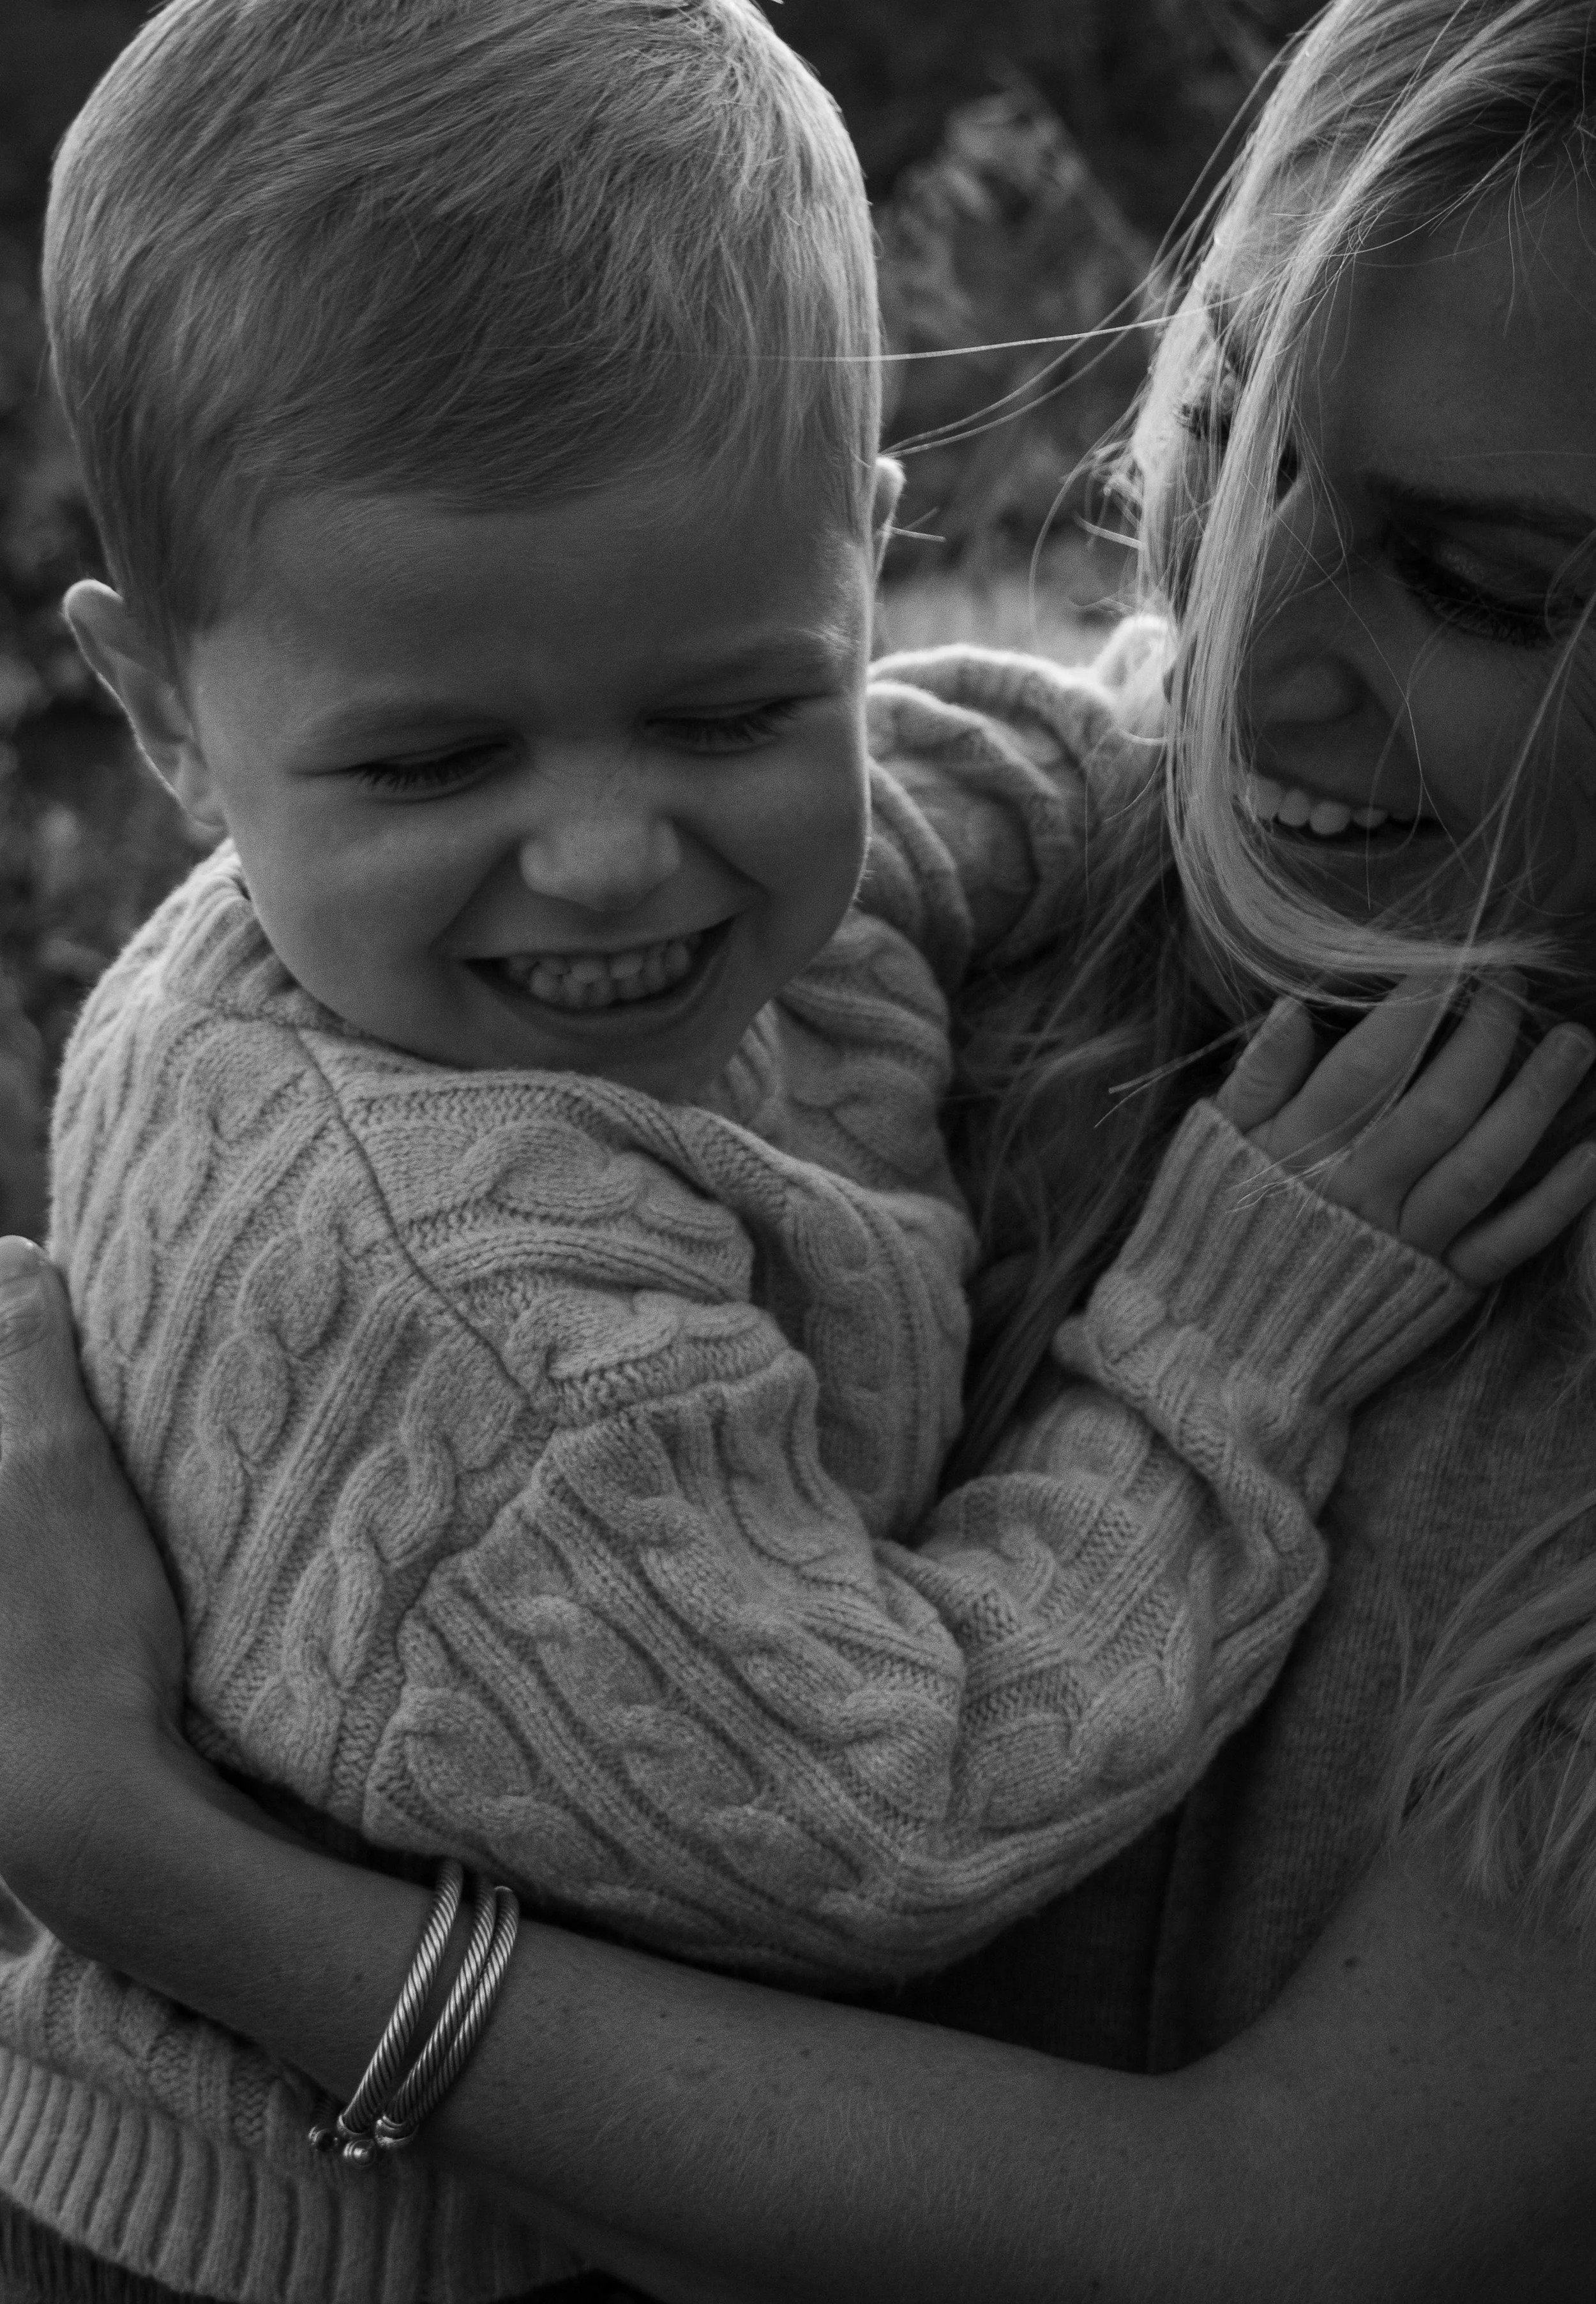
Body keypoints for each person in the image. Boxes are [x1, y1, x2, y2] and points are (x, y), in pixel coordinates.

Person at [3, 0, 1596, 2294]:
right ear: (167, 720)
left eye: (1475, 579)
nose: (1224, 672)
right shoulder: (472, 1252)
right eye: (1231, 441)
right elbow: (883, 1805)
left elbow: (1275, 2228)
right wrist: (1219, 1345)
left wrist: (129, 1844)